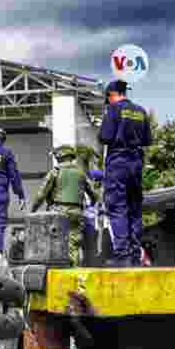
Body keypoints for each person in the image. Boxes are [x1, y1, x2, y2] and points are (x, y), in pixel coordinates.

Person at [99, 79, 152, 266]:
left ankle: (123, 255)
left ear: (111, 95)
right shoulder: (141, 111)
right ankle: (137, 252)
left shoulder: (112, 110)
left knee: (117, 206)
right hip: (136, 162)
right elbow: (147, 140)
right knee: (134, 207)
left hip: (118, 162)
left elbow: (105, 137)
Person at [30, 145, 98, 267]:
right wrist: (91, 204)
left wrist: (33, 210)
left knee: (55, 243)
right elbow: (94, 194)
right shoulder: (81, 172)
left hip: (58, 211)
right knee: (73, 245)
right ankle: (73, 271)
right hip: (77, 212)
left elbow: (41, 194)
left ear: (60, 156)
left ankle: (56, 270)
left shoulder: (55, 171)